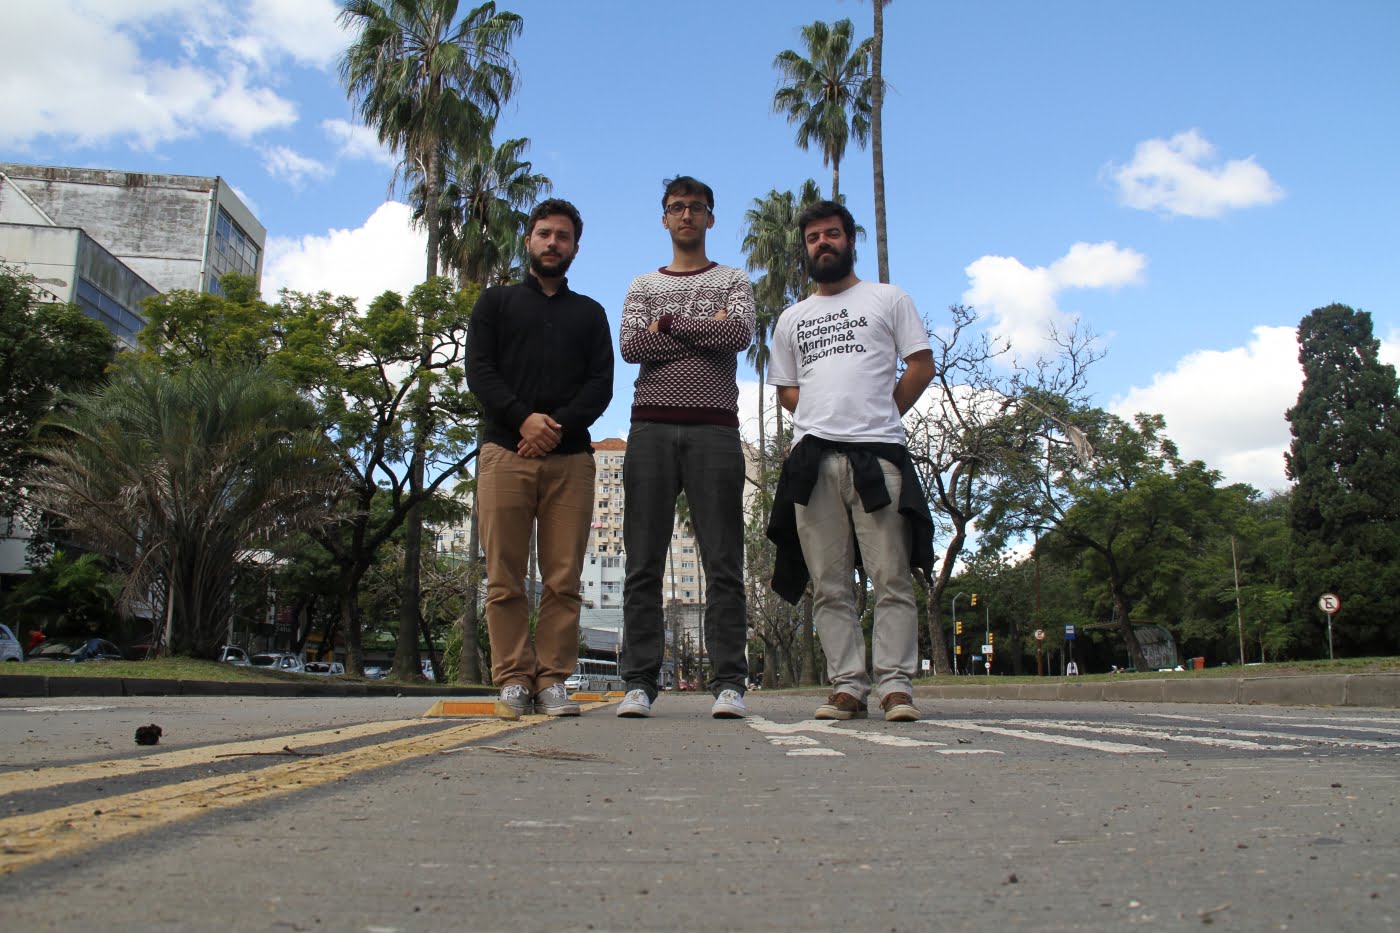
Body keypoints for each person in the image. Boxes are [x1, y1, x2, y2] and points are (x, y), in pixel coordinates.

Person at [766, 200, 936, 722]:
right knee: (830, 584)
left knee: (891, 576)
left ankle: (895, 687)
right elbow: (788, 391)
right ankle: (847, 686)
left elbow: (921, 367)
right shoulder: (792, 318)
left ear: (850, 240)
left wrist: (880, 416)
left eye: (832, 234)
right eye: (814, 237)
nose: (823, 243)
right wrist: (826, 417)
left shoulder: (888, 299)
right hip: (812, 462)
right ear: (806, 249)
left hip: (878, 458)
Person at [466, 198, 614, 720]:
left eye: (564, 236)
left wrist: (553, 429)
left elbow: (601, 387)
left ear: (576, 247)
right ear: (529, 240)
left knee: (563, 578)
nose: (554, 243)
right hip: (504, 454)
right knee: (504, 575)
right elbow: (479, 372)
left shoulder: (590, 314)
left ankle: (552, 679)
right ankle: (511, 677)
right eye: (545, 233)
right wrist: (522, 419)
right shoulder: (496, 304)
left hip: (571, 460)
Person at [616, 175, 755, 720]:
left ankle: (729, 683)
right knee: (642, 562)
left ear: (711, 218)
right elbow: (631, 344)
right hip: (649, 428)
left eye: (697, 208)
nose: (687, 215)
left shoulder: (733, 279)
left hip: (715, 429)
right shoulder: (642, 284)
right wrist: (700, 325)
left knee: (724, 561)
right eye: (677, 207)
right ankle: (639, 684)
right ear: (665, 218)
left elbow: (737, 334)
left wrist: (668, 326)